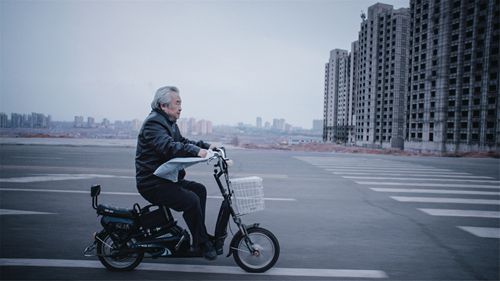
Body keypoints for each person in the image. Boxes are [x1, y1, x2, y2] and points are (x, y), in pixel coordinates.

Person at [135, 86, 217, 260]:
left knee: (199, 190)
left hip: (165, 178)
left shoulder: (168, 122)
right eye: (177, 103)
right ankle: (201, 244)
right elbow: (168, 147)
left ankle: (199, 238)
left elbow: (183, 142)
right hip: (152, 182)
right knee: (191, 200)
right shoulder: (154, 123)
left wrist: (206, 146)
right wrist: (196, 151)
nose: (181, 107)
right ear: (163, 106)